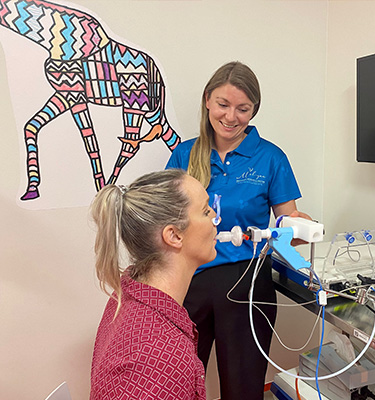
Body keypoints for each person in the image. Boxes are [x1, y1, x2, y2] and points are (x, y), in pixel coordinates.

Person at [166, 61, 310, 400]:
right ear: (207, 101)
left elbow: (289, 224)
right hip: (190, 283)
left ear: (253, 110)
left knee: (243, 388)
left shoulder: (270, 158)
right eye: (223, 104)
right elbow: (166, 221)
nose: (231, 117)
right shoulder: (185, 154)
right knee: (179, 382)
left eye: (243, 109)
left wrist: (300, 229)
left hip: (248, 284)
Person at [89, 169, 219, 400]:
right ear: (174, 236)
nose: (215, 218)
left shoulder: (130, 290)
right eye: (205, 210)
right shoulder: (161, 359)